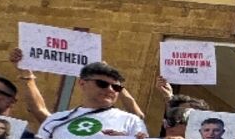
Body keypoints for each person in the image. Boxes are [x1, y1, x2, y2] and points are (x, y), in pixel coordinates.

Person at [10, 48, 147, 124]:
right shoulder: (62, 120)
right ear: (82, 83)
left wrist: (116, 84)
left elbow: (138, 116)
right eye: (102, 84)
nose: (110, 90)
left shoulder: (127, 122)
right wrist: (26, 73)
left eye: (116, 87)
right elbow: (38, 110)